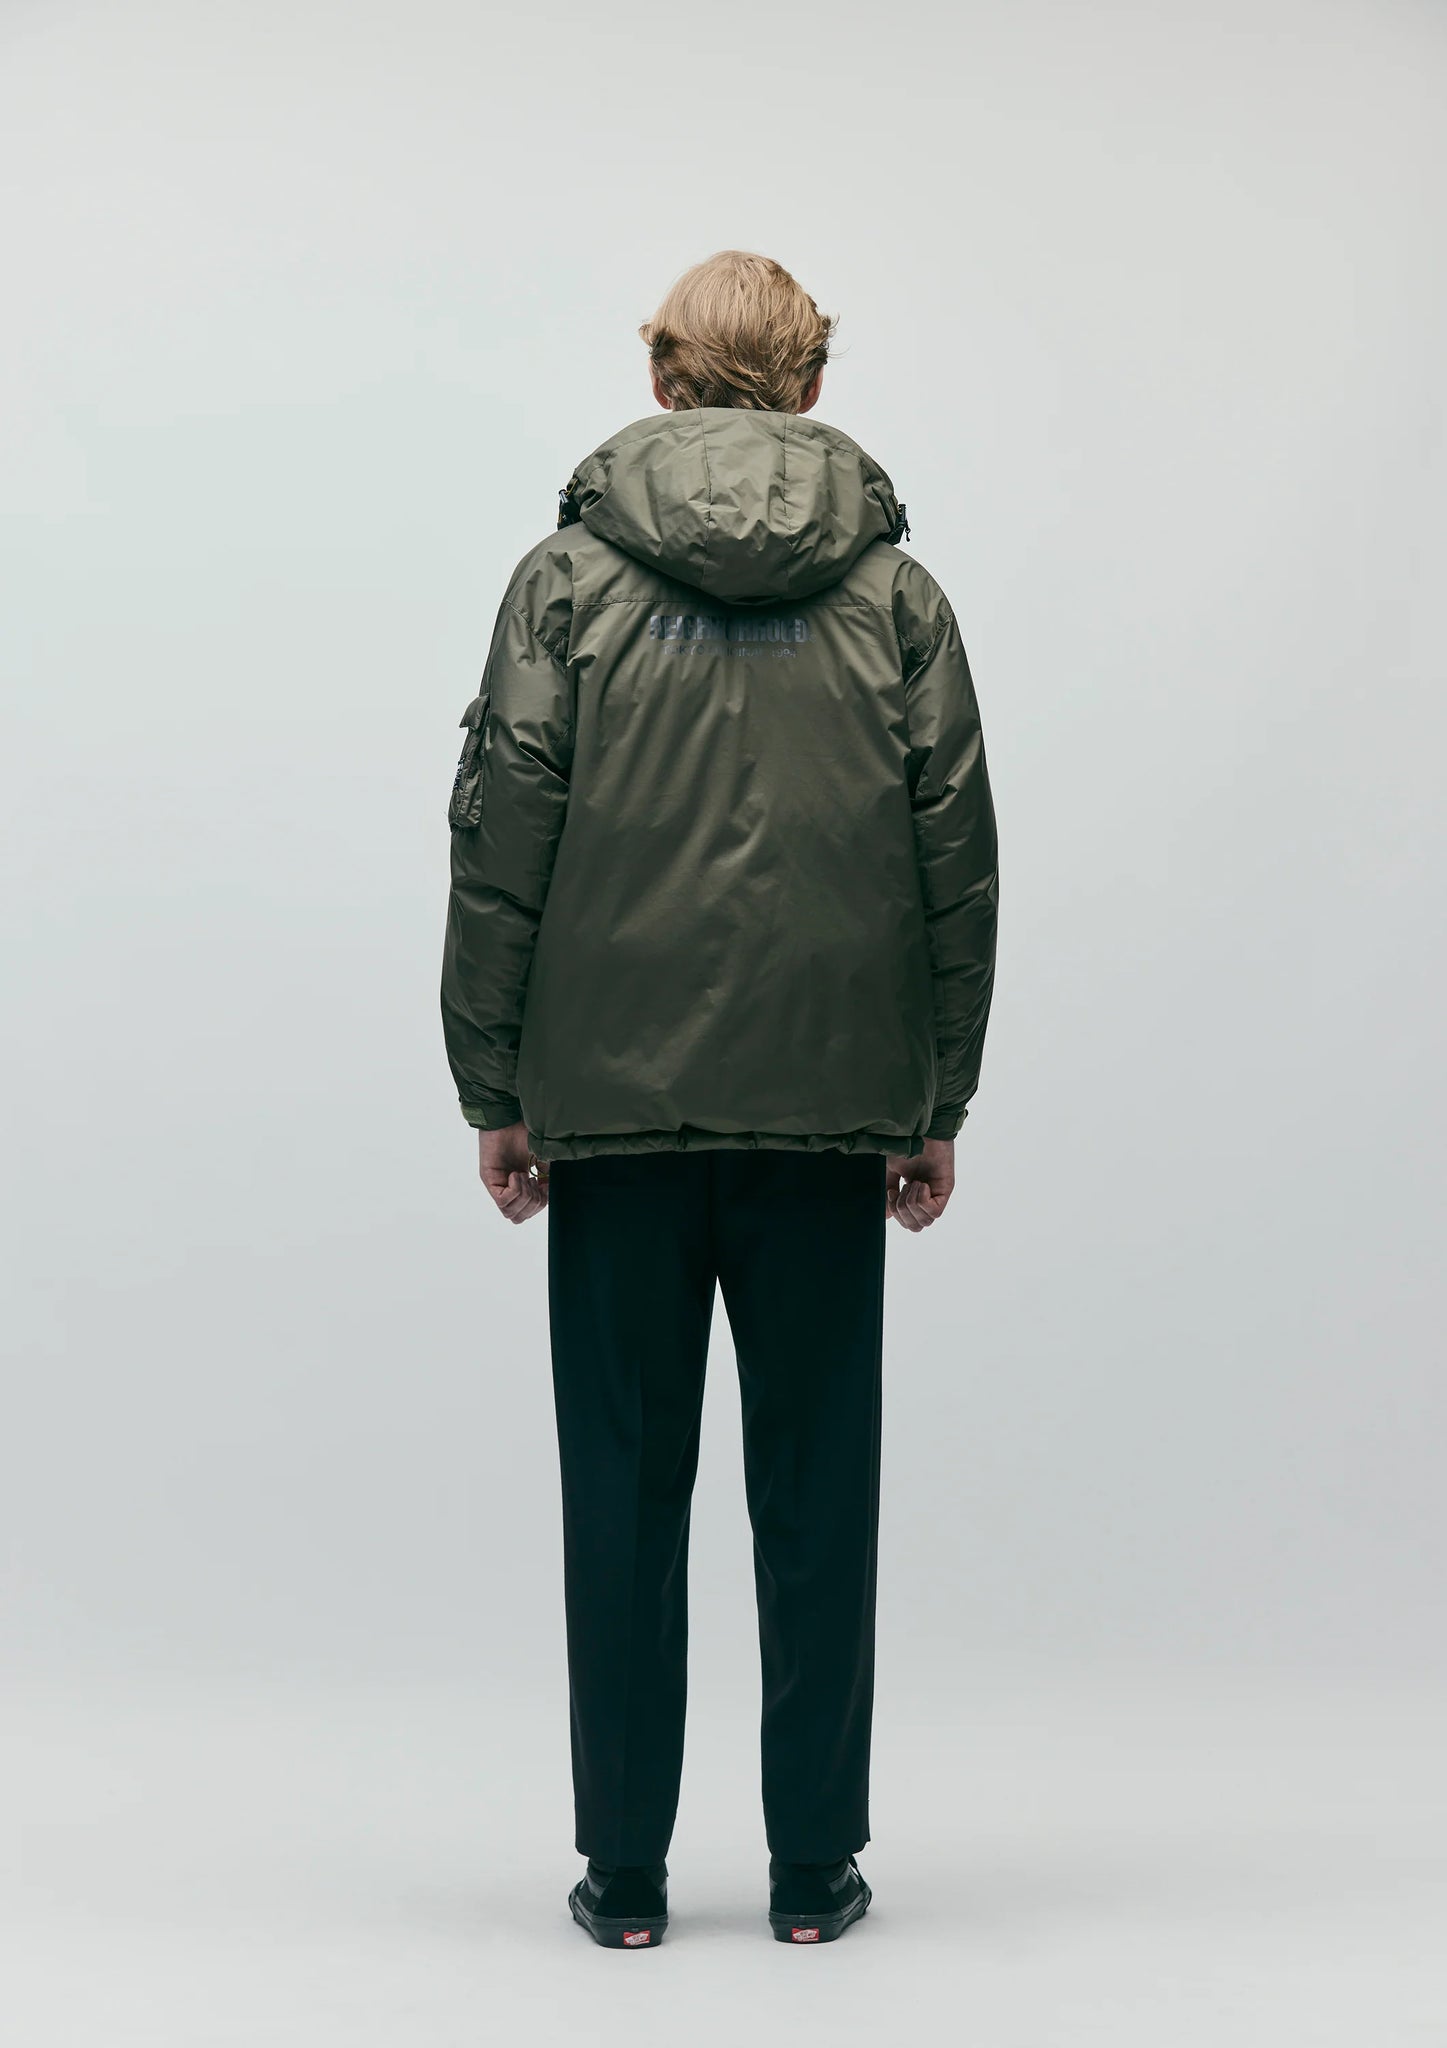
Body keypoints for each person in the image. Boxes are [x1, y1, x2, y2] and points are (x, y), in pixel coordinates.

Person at [440, 250, 999, 1948]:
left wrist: (494, 1084)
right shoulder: (897, 598)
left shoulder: (564, 585)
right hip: (830, 1116)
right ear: (812, 385)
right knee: (819, 1493)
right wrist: (936, 1097)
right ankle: (814, 1873)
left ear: (663, 378)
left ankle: (624, 1878)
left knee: (623, 1494)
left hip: (610, 1118)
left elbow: (502, 841)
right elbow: (956, 862)